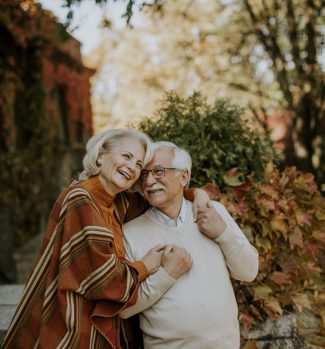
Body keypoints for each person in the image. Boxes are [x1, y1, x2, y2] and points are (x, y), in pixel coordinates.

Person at [3, 129, 209, 349]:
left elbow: (161, 196)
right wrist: (146, 266)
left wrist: (196, 194)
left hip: (95, 318)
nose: (132, 167)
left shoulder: (118, 203)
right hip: (71, 317)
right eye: (126, 156)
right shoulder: (80, 198)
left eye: (139, 164)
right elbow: (105, 281)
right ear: (101, 155)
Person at [121, 141, 259, 349]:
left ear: (183, 176)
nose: (149, 181)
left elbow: (249, 272)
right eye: (144, 174)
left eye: (159, 171)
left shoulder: (214, 213)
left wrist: (223, 233)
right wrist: (166, 275)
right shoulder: (131, 233)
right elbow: (123, 308)